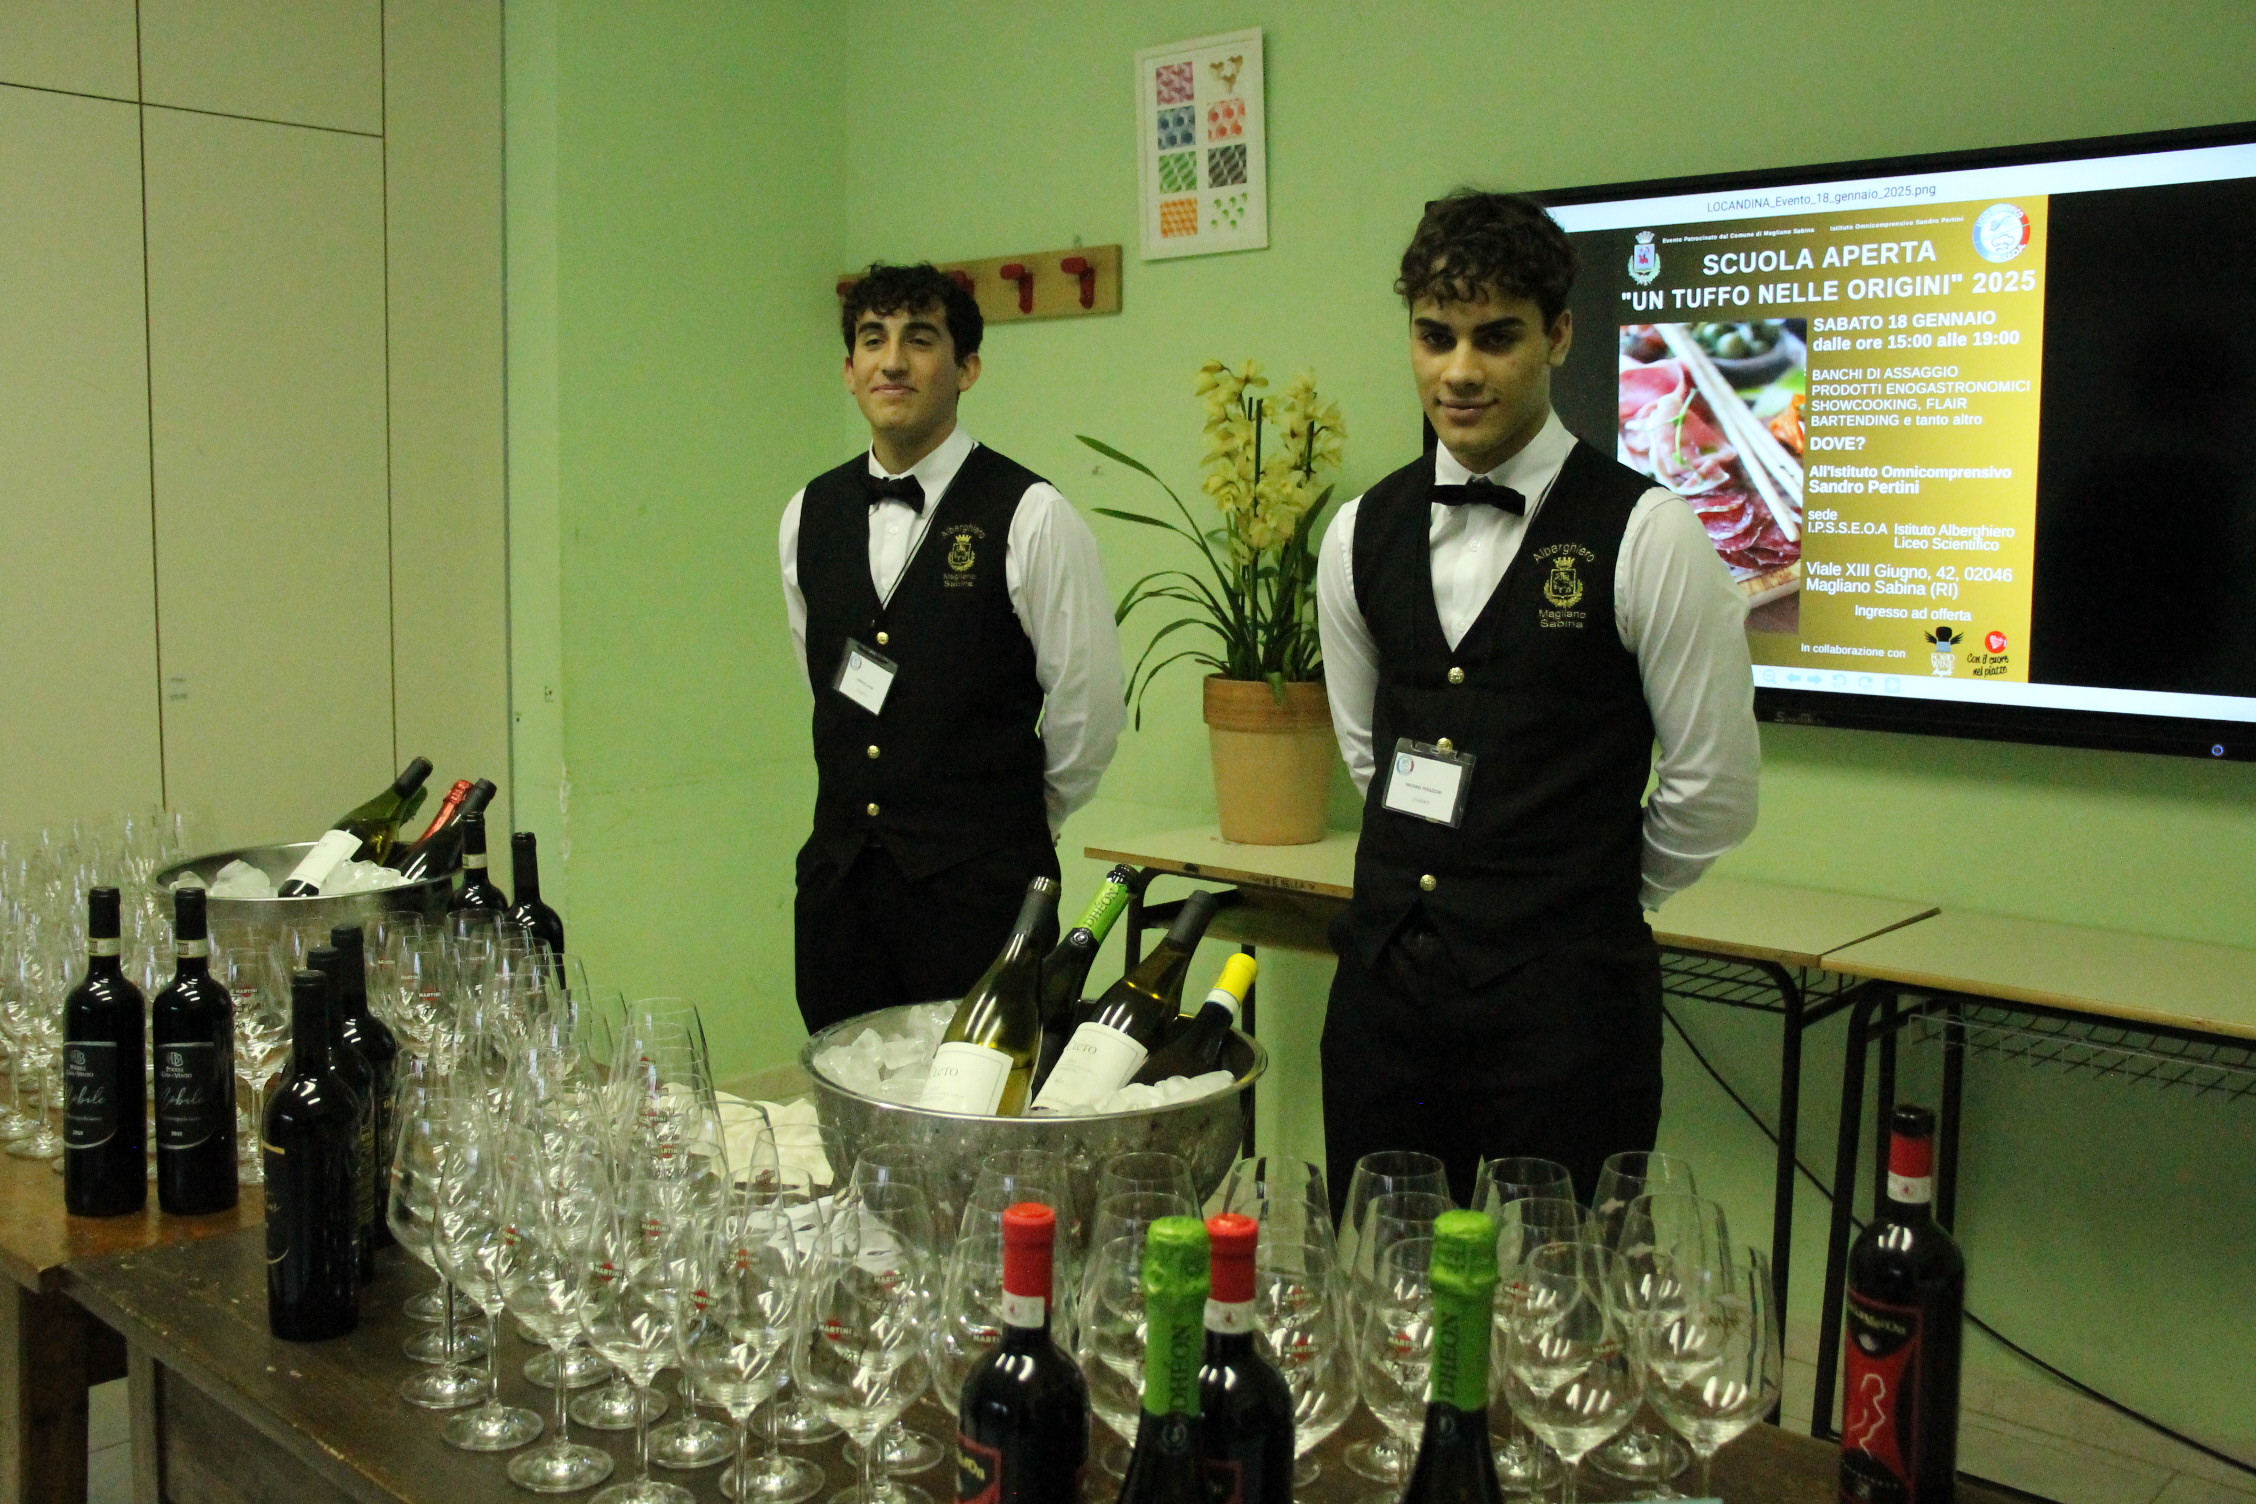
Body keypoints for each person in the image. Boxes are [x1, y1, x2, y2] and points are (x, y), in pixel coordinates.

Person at [1315, 192, 1760, 1211]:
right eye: (1435, 337)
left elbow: (1716, 789)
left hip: (1565, 1015)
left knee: (1559, 1317)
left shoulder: (1649, 533)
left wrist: (1583, 894)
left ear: (1558, 335)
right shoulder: (1358, 534)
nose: (1460, 370)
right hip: (1385, 1003)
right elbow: (1367, 757)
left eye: (1495, 337)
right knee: (1388, 1300)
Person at [781, 263, 1123, 1036]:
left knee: (980, 1127)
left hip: (981, 902)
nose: (892, 361)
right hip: (840, 897)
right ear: (848, 370)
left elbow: (1089, 711)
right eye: (873, 340)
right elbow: (822, 683)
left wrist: (1008, 823)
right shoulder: (809, 513)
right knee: (851, 1127)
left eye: (919, 340)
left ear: (967, 367)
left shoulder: (1032, 515)